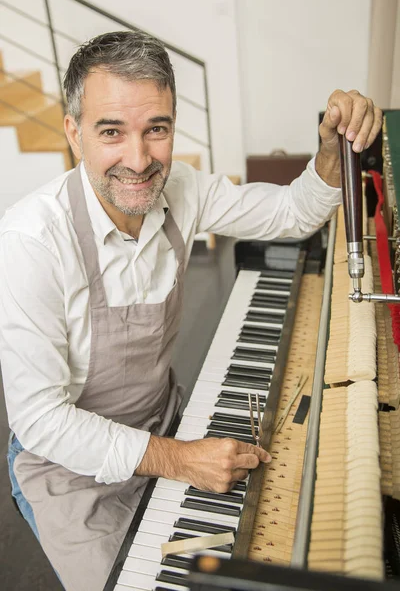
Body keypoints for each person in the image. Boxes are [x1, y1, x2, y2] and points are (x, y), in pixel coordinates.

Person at [0, 30, 382, 590]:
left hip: (162, 422)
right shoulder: (29, 242)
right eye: (112, 132)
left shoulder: (182, 187)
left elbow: (290, 217)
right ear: (73, 133)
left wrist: (328, 152)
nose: (139, 159)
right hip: (69, 472)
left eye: (156, 129)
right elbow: (41, 422)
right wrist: (179, 459)